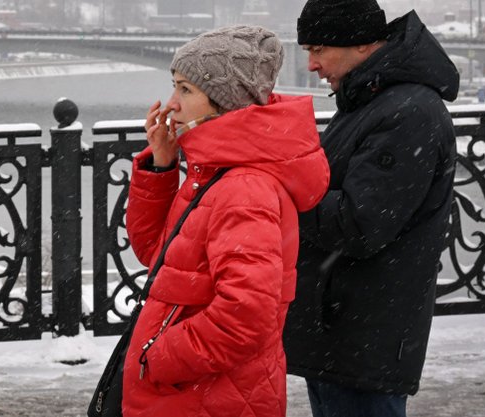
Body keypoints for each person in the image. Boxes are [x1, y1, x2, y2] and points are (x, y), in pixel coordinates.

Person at [121, 26, 329, 417]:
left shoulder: (243, 188)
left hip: (205, 395)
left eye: (185, 90)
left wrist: (159, 356)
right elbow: (160, 258)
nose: (171, 105)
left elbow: (246, 316)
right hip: (196, 393)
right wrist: (162, 166)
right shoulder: (214, 173)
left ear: (223, 102)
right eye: (174, 87)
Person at [284, 0, 460, 417]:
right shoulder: (370, 100)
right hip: (342, 334)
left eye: (319, 49)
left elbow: (358, 225)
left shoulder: (407, 112)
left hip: (364, 339)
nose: (311, 65)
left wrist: (282, 194)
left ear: (362, 43)